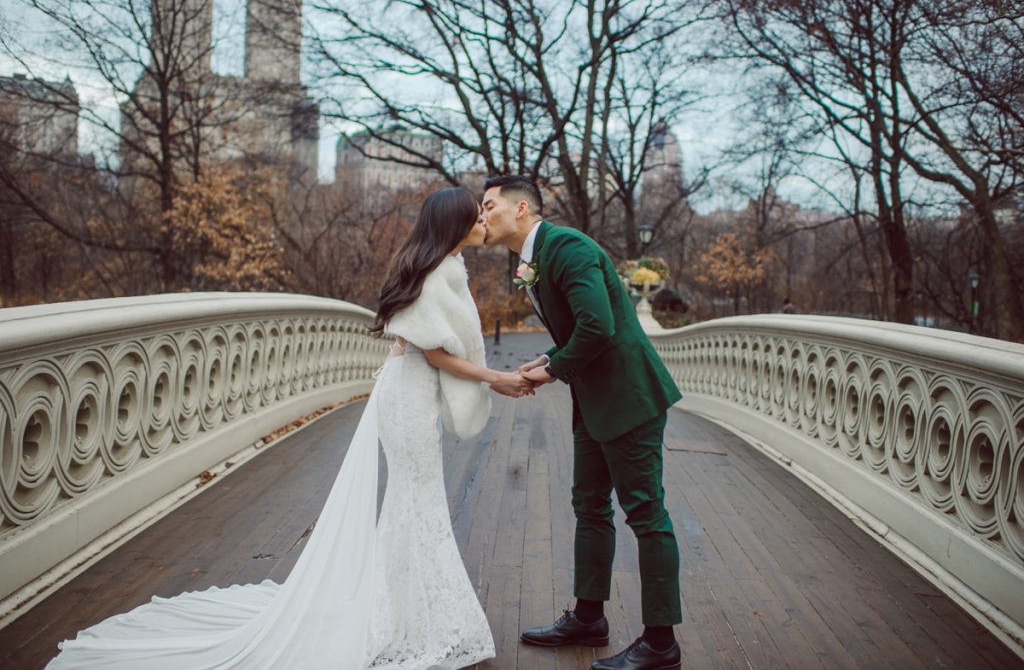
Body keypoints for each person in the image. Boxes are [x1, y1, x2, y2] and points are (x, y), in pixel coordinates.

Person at [46, 186, 533, 669]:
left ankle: (405, 612)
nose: (483, 222)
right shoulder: (433, 276)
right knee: (417, 501)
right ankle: (422, 620)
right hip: (407, 397)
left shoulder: (442, 269)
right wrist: (496, 379)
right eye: (474, 216)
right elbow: (435, 352)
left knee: (412, 501)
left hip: (410, 391)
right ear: (453, 224)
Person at [482, 175, 684, 670]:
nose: (482, 216)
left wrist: (551, 371)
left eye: (488, 206)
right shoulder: (535, 258)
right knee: (590, 506)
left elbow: (599, 326)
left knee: (646, 514)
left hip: (629, 398)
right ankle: (589, 618)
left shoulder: (566, 247)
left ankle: (661, 644)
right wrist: (547, 357)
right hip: (594, 398)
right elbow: (580, 328)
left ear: (521, 208)